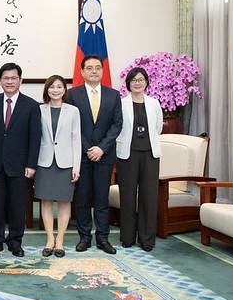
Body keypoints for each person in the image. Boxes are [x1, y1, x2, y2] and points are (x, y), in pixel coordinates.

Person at [0, 63, 41, 257]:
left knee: (17, 206)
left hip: (20, 165)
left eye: (13, 78)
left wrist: (32, 164)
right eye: (5, 78)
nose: (9, 81)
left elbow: (35, 137)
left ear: (20, 81)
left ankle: (15, 242)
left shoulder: (31, 105)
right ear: (0, 81)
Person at [66, 54, 123, 255]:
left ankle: (103, 238)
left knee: (101, 199)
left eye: (97, 67)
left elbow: (117, 124)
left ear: (102, 71)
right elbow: (71, 125)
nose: (93, 71)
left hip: (104, 156)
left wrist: (101, 148)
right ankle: (84, 238)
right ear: (82, 72)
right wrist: (88, 147)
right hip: (81, 155)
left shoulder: (114, 95)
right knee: (82, 199)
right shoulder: (72, 94)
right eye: (89, 68)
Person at [115, 67, 163, 251]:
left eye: (141, 80)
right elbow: (118, 127)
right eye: (134, 80)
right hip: (127, 154)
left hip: (150, 154)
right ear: (128, 83)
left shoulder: (154, 103)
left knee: (148, 197)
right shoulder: (121, 103)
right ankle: (127, 238)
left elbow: (158, 127)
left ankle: (147, 239)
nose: (138, 83)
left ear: (146, 82)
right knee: (127, 196)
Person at [34, 75, 81, 258]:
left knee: (64, 201)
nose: (55, 90)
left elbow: (76, 139)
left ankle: (60, 240)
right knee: (45, 201)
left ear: (64, 90)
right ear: (47, 89)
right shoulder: (39, 110)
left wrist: (76, 166)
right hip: (44, 161)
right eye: (52, 87)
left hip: (65, 162)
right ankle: (49, 239)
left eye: (59, 87)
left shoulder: (73, 111)